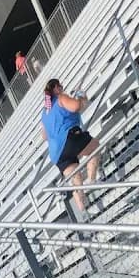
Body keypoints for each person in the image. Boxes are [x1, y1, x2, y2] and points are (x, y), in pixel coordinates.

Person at [42, 79, 100, 214]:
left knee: (77, 180)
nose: (62, 88)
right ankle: (92, 181)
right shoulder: (60, 98)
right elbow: (75, 106)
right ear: (56, 88)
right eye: (61, 86)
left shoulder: (45, 112)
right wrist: (80, 96)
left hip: (57, 153)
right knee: (95, 147)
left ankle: (84, 213)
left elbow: (44, 136)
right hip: (68, 139)